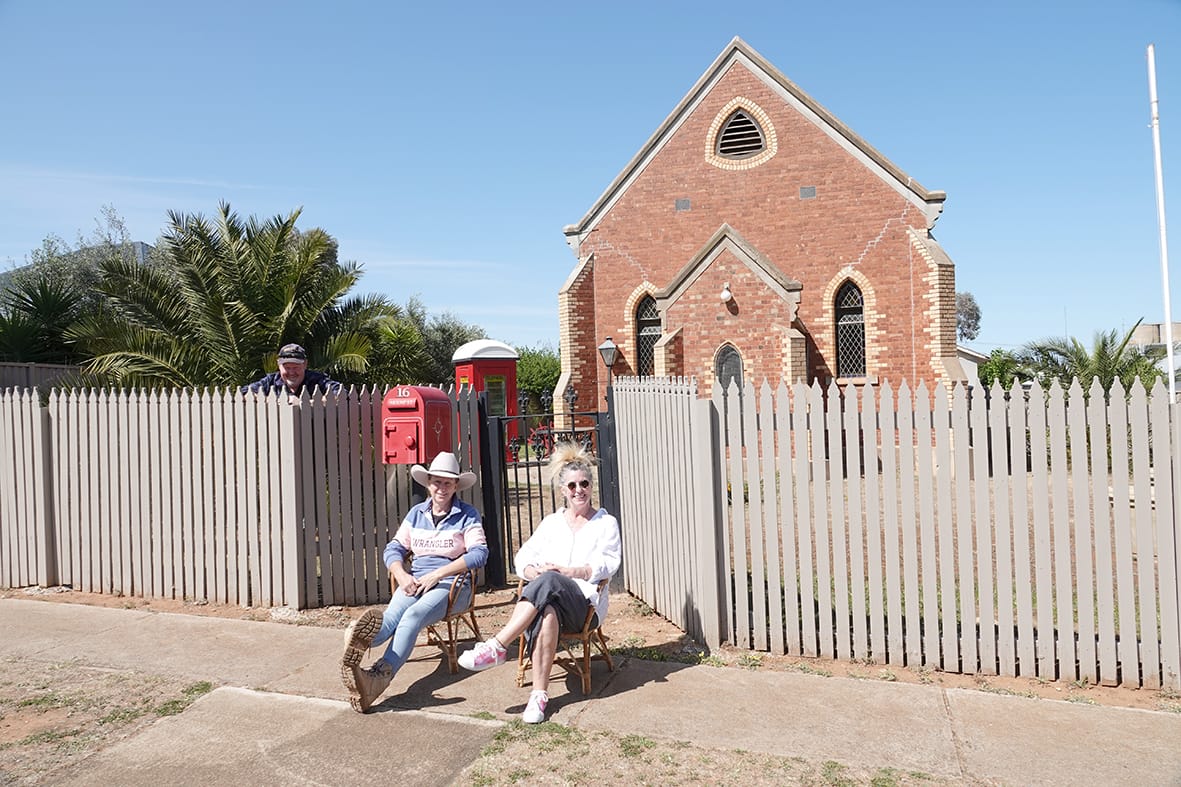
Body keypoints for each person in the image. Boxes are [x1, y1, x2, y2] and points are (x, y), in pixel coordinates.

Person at [457, 442, 621, 724]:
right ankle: (538, 697)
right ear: (562, 491)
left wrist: (570, 572)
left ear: (592, 486)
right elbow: (522, 558)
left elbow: (609, 564)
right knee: (546, 614)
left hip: (584, 607)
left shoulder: (605, 524)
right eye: (572, 486)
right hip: (550, 603)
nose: (578, 490)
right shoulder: (552, 523)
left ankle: (497, 646)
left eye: (584, 483)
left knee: (551, 580)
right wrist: (534, 572)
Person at [340, 452, 488, 713]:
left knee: (412, 617)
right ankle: (357, 641)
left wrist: (438, 574)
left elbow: (479, 554)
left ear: (456, 486)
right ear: (428, 483)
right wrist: (401, 575)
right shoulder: (416, 513)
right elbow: (394, 548)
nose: (441, 488)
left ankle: (377, 677)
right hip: (415, 581)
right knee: (390, 618)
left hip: (453, 586)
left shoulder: (467, 515)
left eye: (447, 483)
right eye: (436, 482)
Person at [241, 343, 342, 396]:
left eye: (296, 367)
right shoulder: (269, 381)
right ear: (278, 366)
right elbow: (242, 394)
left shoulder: (318, 381)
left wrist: (312, 403)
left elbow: (341, 393)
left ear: (305, 364)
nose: (291, 372)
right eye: (287, 368)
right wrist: (272, 401)